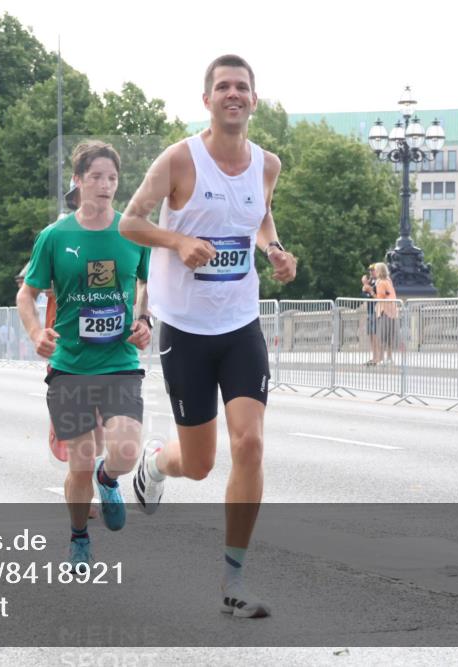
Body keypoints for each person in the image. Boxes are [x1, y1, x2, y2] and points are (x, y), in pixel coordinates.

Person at [118, 55, 298, 618]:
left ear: (254, 99)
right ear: (207, 100)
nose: (233, 94)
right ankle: (155, 464)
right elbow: (130, 222)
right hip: (187, 330)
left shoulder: (266, 165)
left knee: (250, 444)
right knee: (197, 463)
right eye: (223, 87)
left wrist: (272, 249)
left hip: (240, 324)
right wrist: (175, 243)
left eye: (242, 86)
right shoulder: (180, 159)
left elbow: (260, 216)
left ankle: (234, 580)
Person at [17, 140, 152, 569]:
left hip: (120, 364)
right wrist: (37, 330)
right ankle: (79, 538)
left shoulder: (133, 231)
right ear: (77, 181)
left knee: (127, 452)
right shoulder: (56, 237)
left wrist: (144, 319)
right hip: (71, 368)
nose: (105, 185)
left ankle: (107, 477)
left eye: (112, 178)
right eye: (95, 176)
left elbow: (148, 283)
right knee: (77, 461)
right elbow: (27, 292)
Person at [372, 262, 398, 365]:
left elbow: (380, 298)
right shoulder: (389, 280)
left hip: (384, 311)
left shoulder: (381, 282)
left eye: (375, 270)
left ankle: (381, 358)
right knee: (389, 336)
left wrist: (371, 292)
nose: (374, 272)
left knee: (382, 336)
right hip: (393, 310)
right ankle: (389, 358)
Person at [360, 265, 380, 365]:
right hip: (370, 311)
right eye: (370, 270)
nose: (371, 272)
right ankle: (374, 357)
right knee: (371, 335)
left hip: (377, 311)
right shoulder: (371, 282)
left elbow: (376, 297)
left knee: (376, 335)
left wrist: (369, 290)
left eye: (373, 270)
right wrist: (365, 285)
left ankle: (377, 358)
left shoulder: (379, 282)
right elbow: (364, 295)